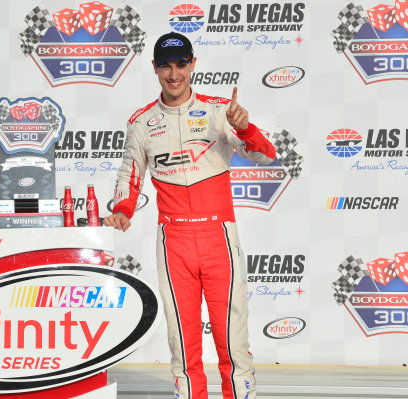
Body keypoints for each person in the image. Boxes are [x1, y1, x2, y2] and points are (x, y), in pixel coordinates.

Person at [103, 32, 276, 399]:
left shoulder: (219, 112)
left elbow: (266, 155)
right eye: (166, 66)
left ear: (193, 64)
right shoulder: (142, 122)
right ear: (155, 69)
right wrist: (122, 209)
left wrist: (244, 127)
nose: (174, 73)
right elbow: (129, 174)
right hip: (174, 243)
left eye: (181, 64)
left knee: (233, 341)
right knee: (183, 344)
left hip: (219, 239)